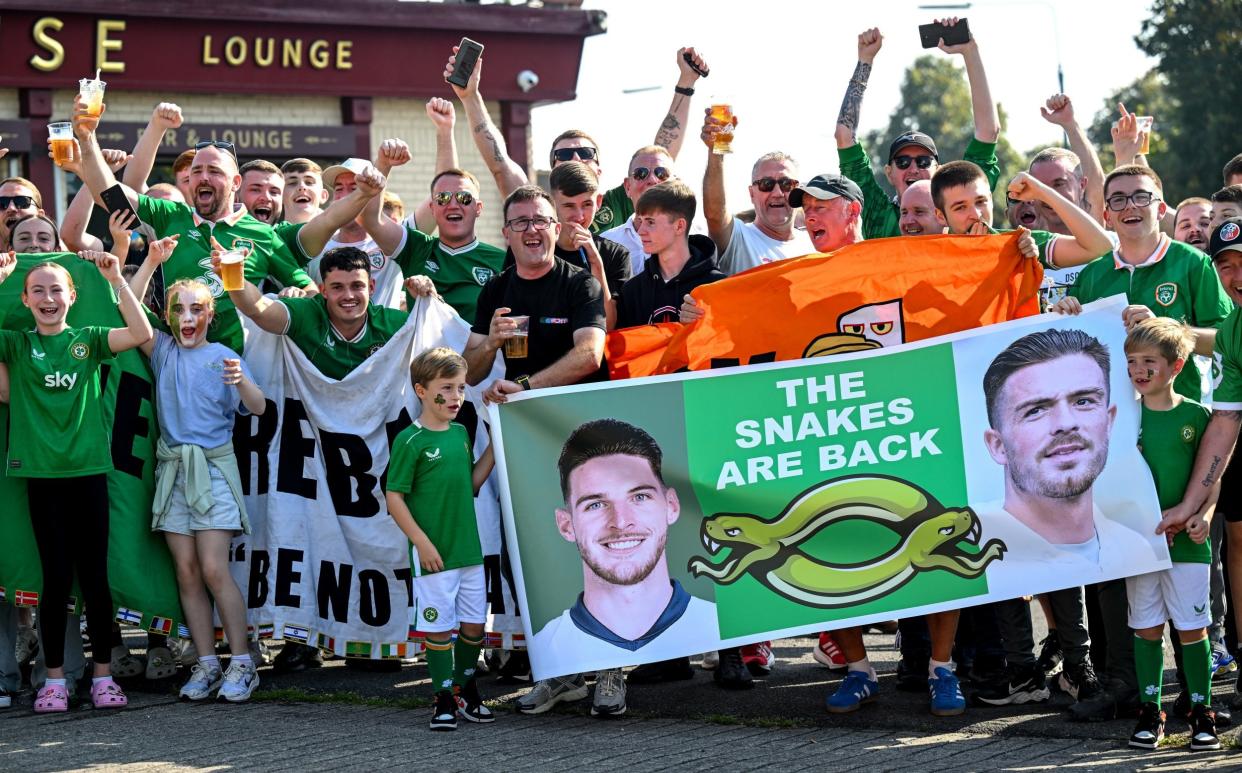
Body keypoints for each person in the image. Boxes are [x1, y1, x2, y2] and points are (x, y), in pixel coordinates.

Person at [463, 185, 607, 715]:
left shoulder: (579, 284)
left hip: (579, 435)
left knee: (590, 550)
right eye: (520, 221)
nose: (532, 229)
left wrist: (526, 387)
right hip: (518, 440)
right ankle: (558, 670)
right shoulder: (496, 290)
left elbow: (590, 355)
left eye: (541, 220)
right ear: (506, 233)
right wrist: (492, 344)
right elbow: (469, 372)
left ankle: (609, 669)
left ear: (556, 228)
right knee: (530, 554)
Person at [0, 241, 154, 712]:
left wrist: (114, 280)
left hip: (89, 473)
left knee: (94, 579)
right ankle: (54, 682)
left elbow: (140, 329)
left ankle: (103, 677)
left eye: (56, 290)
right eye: (37, 291)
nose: (48, 298)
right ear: (24, 300)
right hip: (42, 476)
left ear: (71, 296)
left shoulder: (87, 338)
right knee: (54, 580)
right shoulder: (18, 343)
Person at [125, 217, 267, 703]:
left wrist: (241, 381)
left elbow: (259, 407)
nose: (187, 317)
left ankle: (242, 662)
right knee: (185, 572)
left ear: (209, 315)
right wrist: (150, 262)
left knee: (212, 569)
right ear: (169, 317)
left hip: (213, 471)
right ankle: (206, 663)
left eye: (197, 310)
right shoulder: (162, 352)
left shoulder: (225, 355)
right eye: (179, 310)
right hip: (173, 474)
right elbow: (130, 311)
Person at [68, 96, 316, 353]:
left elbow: (308, 290)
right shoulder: (171, 215)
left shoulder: (263, 234)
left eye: (215, 171)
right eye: (196, 171)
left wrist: (294, 294)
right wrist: (87, 139)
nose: (203, 177)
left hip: (237, 368)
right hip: (176, 360)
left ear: (236, 183)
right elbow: (109, 195)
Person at [532, 419, 717, 703]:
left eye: (639, 497)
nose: (620, 523)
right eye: (595, 504)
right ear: (566, 525)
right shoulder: (546, 643)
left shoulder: (714, 624)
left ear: (671, 506)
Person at [445, 44, 709, 233]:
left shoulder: (622, 200)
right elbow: (500, 164)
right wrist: (470, 97)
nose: (575, 158)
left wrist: (686, 83)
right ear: (553, 169)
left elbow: (660, 156)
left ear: (599, 169)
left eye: (585, 154)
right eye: (563, 154)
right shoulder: (538, 206)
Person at [386, 347, 496, 731]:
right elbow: (393, 497)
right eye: (445, 388)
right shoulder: (410, 440)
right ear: (420, 390)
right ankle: (443, 697)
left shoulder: (462, 433)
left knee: (474, 628)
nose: (455, 397)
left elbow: (471, 485)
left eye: (460, 389)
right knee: (438, 628)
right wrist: (422, 542)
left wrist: (497, 443)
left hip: (468, 551)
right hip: (434, 555)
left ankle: (466, 688)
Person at [1122, 317, 1220, 751]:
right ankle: (1150, 711)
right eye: (1131, 362)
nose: (1139, 370)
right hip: (1140, 547)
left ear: (1176, 366)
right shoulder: (1121, 417)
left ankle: (1201, 712)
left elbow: (1212, 478)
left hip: (1188, 547)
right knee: (1145, 628)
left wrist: (1205, 515)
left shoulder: (1198, 417)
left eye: (1149, 362)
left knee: (1192, 629)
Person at [834, 23, 1000, 240]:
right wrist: (865, 60)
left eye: (923, 161)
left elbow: (988, 132)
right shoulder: (880, 217)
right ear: (889, 173)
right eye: (902, 162)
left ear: (938, 170)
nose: (913, 168)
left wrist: (970, 51)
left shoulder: (962, 207)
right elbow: (844, 136)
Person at [365, 166, 507, 324]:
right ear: (432, 208)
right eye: (443, 198)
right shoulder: (416, 248)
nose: (453, 205)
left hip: (483, 348)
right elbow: (371, 219)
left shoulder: (502, 261)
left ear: (478, 208)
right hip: (426, 350)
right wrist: (383, 164)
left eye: (464, 197)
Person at [698, 110, 813, 275]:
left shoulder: (815, 246)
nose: (777, 192)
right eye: (766, 184)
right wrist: (717, 152)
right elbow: (715, 214)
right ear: (752, 194)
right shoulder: (739, 238)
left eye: (786, 184)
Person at [610, 181, 720, 331]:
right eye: (640, 221)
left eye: (650, 222)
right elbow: (622, 352)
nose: (641, 231)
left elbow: (728, 348)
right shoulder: (632, 291)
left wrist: (700, 326)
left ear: (679, 226)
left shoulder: (716, 287)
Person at [548, 161, 631, 307]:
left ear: (598, 202)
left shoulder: (616, 254)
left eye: (587, 204)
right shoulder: (532, 249)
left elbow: (610, 322)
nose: (579, 216)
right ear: (552, 205)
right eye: (569, 206)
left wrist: (595, 262)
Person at [599, 146, 678, 271]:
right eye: (641, 173)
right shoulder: (605, 242)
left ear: (675, 185)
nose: (652, 180)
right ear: (627, 187)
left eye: (662, 174)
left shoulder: (692, 239)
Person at [0, 175, 44, 251]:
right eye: (2, 203)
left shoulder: (58, 259)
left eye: (21, 201)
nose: (11, 208)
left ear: (40, 216)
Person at [280, 158, 330, 225]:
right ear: (280, 196)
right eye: (292, 183)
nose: (302, 187)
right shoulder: (269, 234)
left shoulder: (341, 233)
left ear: (323, 196)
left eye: (309, 182)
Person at [239, 159, 284, 225]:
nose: (267, 198)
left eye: (274, 192)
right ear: (235, 195)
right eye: (255, 190)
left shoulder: (286, 233)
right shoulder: (220, 232)